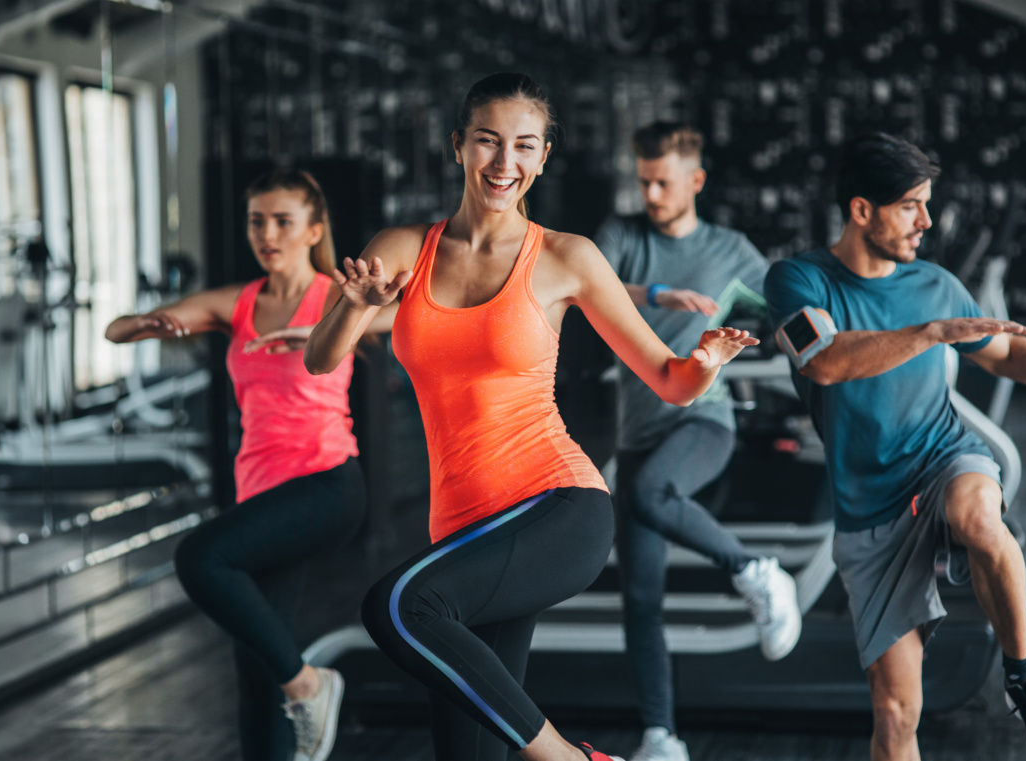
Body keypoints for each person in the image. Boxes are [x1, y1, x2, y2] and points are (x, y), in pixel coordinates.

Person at [304, 73, 760, 761]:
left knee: (397, 605)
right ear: (457, 147)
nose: (503, 163)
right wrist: (355, 302)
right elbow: (319, 357)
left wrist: (705, 359)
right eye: (487, 142)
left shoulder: (565, 257)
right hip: (462, 528)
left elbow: (671, 381)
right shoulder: (404, 248)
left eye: (523, 146)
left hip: (555, 505)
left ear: (543, 157)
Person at [763, 132, 1026, 761]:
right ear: (862, 211)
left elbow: (1007, 356)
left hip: (943, 456)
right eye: (910, 206)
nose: (927, 220)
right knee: (896, 713)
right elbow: (823, 361)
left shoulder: (936, 283)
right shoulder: (797, 280)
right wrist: (929, 333)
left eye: (928, 203)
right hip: (869, 510)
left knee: (978, 517)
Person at [106, 169, 393, 761]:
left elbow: (402, 314)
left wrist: (331, 324)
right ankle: (297, 694)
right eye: (257, 220)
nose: (267, 233)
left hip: (326, 482)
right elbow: (115, 332)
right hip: (260, 496)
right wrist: (146, 324)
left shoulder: (339, 299)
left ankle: (313, 684)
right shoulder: (237, 303)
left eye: (283, 221)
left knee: (200, 556)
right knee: (257, 658)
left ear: (313, 229)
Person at [594, 121, 802, 761]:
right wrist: (655, 293)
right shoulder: (621, 236)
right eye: (644, 180)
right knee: (640, 596)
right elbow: (585, 290)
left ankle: (756, 571)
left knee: (655, 491)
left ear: (695, 180)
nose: (652, 193)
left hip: (703, 420)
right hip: (637, 428)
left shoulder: (731, 251)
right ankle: (661, 737)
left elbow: (785, 309)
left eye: (664, 181)